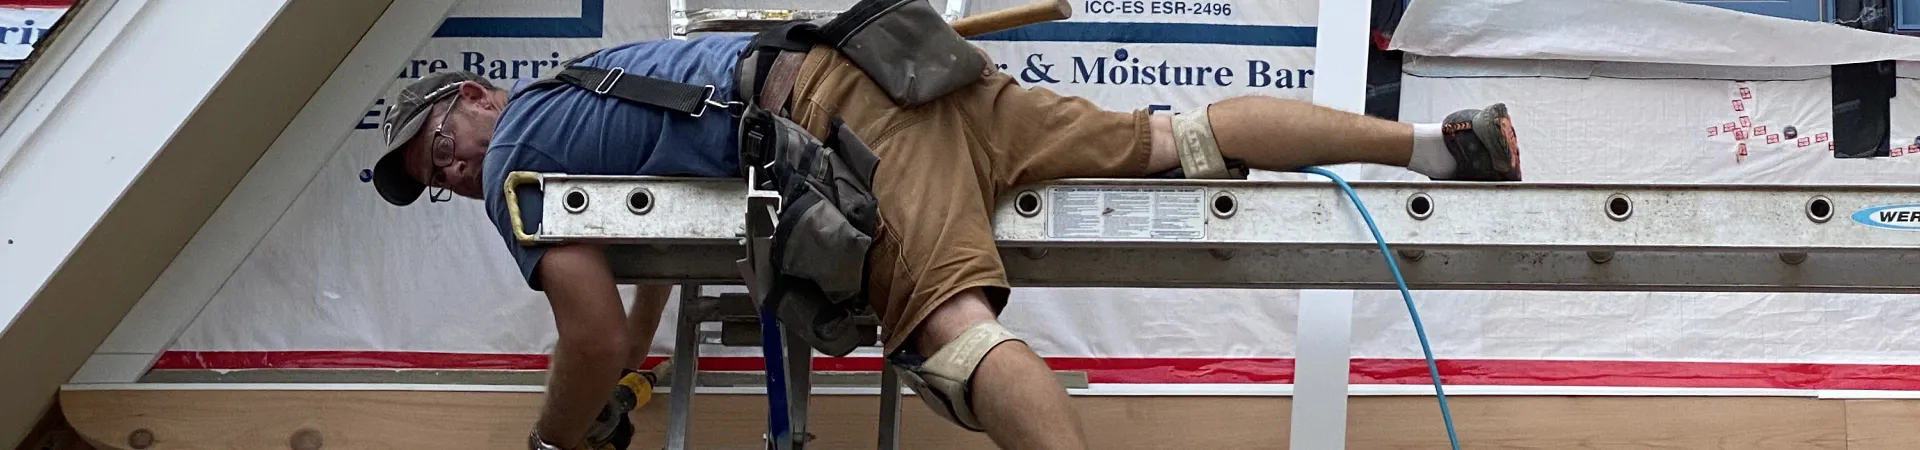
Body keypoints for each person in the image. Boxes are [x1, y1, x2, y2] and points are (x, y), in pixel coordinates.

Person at [369, 30, 1521, 450]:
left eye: (442, 149)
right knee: (1173, 140)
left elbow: (581, 334)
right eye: (436, 183)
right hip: (911, 67)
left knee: (950, 332)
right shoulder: (596, 95)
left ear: (474, 98)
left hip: (849, 115)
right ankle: (1438, 142)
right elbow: (637, 279)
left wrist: (557, 437)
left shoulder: (519, 157)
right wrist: (633, 360)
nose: (455, 175)